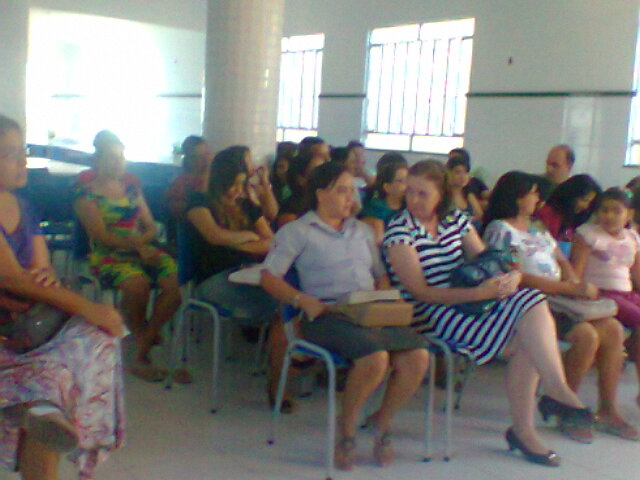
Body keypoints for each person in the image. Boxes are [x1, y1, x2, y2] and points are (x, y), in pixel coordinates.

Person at [383, 159, 592, 467]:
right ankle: (538, 414)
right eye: (410, 191)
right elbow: (419, 292)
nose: (413, 199)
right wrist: (478, 294)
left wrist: (512, 274)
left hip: (471, 301)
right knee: (528, 340)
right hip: (431, 311)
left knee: (530, 301)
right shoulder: (400, 230)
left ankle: (545, 403)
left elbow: (487, 258)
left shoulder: (454, 219)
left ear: (441, 195)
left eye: (422, 193)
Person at [261, 161, 429, 470]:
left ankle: (383, 421)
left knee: (418, 356)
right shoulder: (298, 231)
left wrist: (383, 297)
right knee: (375, 358)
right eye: (342, 191)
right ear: (320, 193)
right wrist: (301, 300)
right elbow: (269, 278)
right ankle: (347, 429)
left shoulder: (362, 230)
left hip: (367, 310)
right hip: (327, 313)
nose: (350, 198)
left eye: (352, 191)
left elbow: (380, 274)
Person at [0, 115, 125, 480]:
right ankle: (38, 409)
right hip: (6, 336)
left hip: (24, 327)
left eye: (22, 151)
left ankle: (54, 419)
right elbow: (15, 279)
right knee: (55, 377)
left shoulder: (22, 206)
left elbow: (41, 273)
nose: (22, 161)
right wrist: (91, 308)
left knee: (99, 340)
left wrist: (41, 280)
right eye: (9, 154)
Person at [483, 172, 636, 443]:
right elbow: (518, 275)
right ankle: (565, 405)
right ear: (517, 197)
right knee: (586, 336)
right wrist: (568, 289)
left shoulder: (537, 228)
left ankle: (607, 408)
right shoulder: (504, 232)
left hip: (561, 298)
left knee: (612, 328)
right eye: (533, 193)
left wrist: (575, 285)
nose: (538, 199)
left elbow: (562, 262)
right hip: (530, 303)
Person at [74, 131, 182, 382]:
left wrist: (142, 245)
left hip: (141, 249)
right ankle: (142, 353)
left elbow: (151, 226)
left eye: (121, 157)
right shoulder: (86, 194)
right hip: (109, 255)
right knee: (137, 285)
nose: (118, 163)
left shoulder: (131, 188)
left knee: (174, 287)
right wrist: (137, 246)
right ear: (98, 160)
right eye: (112, 157)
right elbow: (100, 234)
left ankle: (143, 338)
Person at [184, 148, 286, 407]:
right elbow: (214, 236)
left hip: (248, 274)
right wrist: (249, 237)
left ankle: (280, 375)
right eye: (232, 185)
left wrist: (237, 243)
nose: (236, 191)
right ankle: (277, 376)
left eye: (241, 185)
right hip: (214, 280)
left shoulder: (246, 205)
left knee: (286, 303)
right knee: (280, 308)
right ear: (219, 181)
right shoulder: (198, 203)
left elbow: (271, 242)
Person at [571, 187, 640, 411]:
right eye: (604, 210)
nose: (609, 216)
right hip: (602, 295)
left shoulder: (632, 237)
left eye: (616, 211)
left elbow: (636, 274)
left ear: (629, 214)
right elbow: (576, 274)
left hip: (627, 294)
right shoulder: (588, 234)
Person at [359, 152, 408, 245]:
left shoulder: (409, 207)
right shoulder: (376, 209)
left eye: (408, 180)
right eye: (401, 181)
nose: (407, 185)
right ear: (387, 187)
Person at [536, 174, 602, 243]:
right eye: (584, 200)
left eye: (590, 203)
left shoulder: (575, 221)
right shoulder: (546, 214)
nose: (586, 206)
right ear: (570, 195)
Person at [226, 145, 279, 222]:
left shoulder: (253, 188)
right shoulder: (233, 191)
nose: (253, 164)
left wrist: (264, 182)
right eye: (249, 160)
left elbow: (272, 214)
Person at [165, 135, 212, 219]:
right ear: (189, 159)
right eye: (199, 156)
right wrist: (206, 174)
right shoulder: (180, 183)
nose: (205, 159)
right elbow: (178, 213)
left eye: (206, 154)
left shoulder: (215, 176)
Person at [276, 151, 326, 228]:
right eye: (319, 172)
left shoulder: (326, 206)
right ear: (300, 180)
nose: (326, 177)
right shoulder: (291, 216)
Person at [445, 152, 483, 225]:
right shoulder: (443, 196)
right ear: (448, 173)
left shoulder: (469, 195)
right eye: (458, 172)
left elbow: (480, 216)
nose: (462, 176)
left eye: (466, 172)